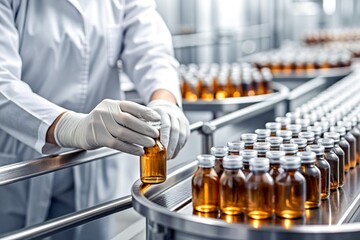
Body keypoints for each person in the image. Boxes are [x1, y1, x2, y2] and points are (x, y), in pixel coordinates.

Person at [0, 0, 190, 239]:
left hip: (93, 159)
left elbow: (152, 52)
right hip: (20, 157)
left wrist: (165, 100)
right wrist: (68, 126)